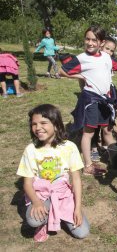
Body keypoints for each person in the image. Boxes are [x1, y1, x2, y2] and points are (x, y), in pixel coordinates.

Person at [16, 104, 90, 242]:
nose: (38, 128)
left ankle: (63, 211)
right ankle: (44, 223)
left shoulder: (69, 147)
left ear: (56, 125)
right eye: (34, 124)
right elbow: (27, 184)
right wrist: (37, 202)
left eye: (43, 123)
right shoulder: (31, 150)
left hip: (63, 195)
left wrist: (77, 208)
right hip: (41, 195)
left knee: (82, 232)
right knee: (34, 220)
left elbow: (76, 180)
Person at [59, 26, 117, 176]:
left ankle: (116, 158)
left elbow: (114, 66)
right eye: (88, 39)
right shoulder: (81, 58)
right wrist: (80, 76)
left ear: (101, 42)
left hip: (105, 101)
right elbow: (62, 71)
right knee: (89, 133)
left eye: (94, 40)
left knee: (107, 130)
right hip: (90, 100)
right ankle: (87, 165)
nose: (90, 43)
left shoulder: (106, 57)